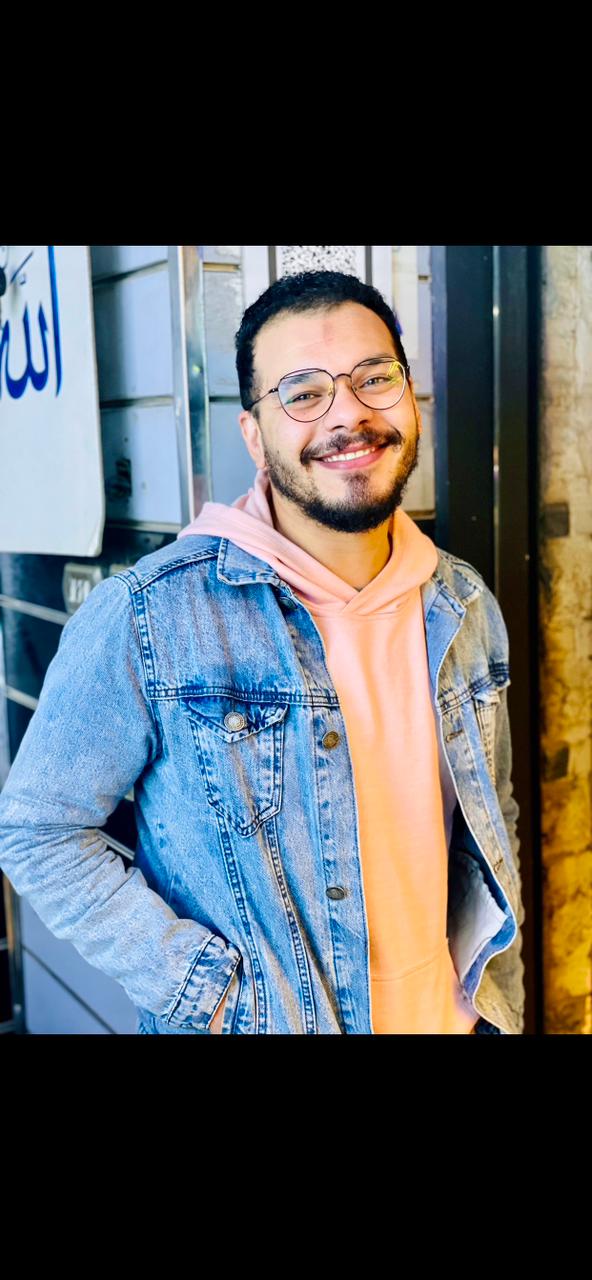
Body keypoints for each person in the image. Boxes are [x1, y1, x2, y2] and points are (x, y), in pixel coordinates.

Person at [0, 269, 526, 1035]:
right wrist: (208, 992)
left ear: (410, 397)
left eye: (375, 378)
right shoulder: (150, 614)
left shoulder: (464, 604)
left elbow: (493, 815)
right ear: (255, 435)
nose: (349, 413)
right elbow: (39, 832)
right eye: (303, 392)